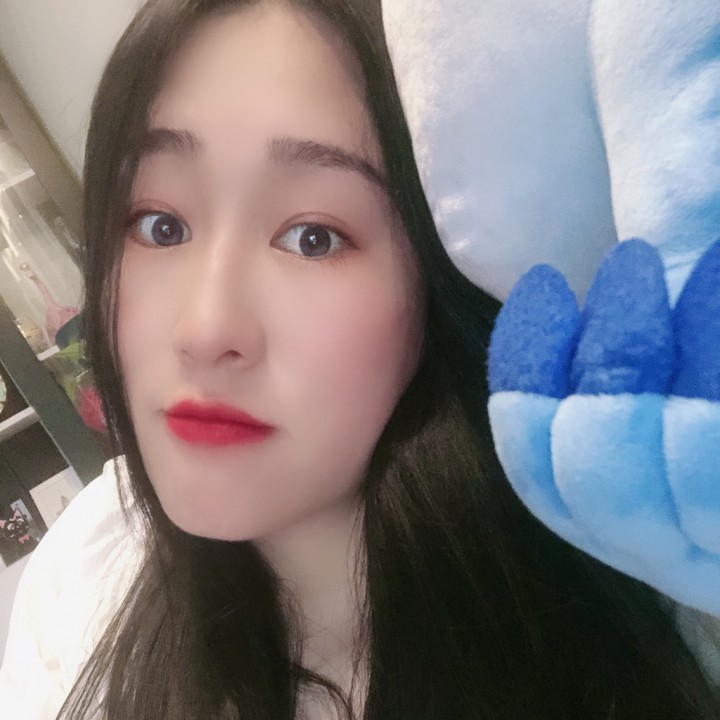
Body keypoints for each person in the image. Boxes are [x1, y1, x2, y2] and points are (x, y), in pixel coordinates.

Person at [1, 0, 719, 718]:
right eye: (161, 226)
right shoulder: (84, 574)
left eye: (313, 238)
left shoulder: (661, 591)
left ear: (438, 275)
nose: (206, 327)